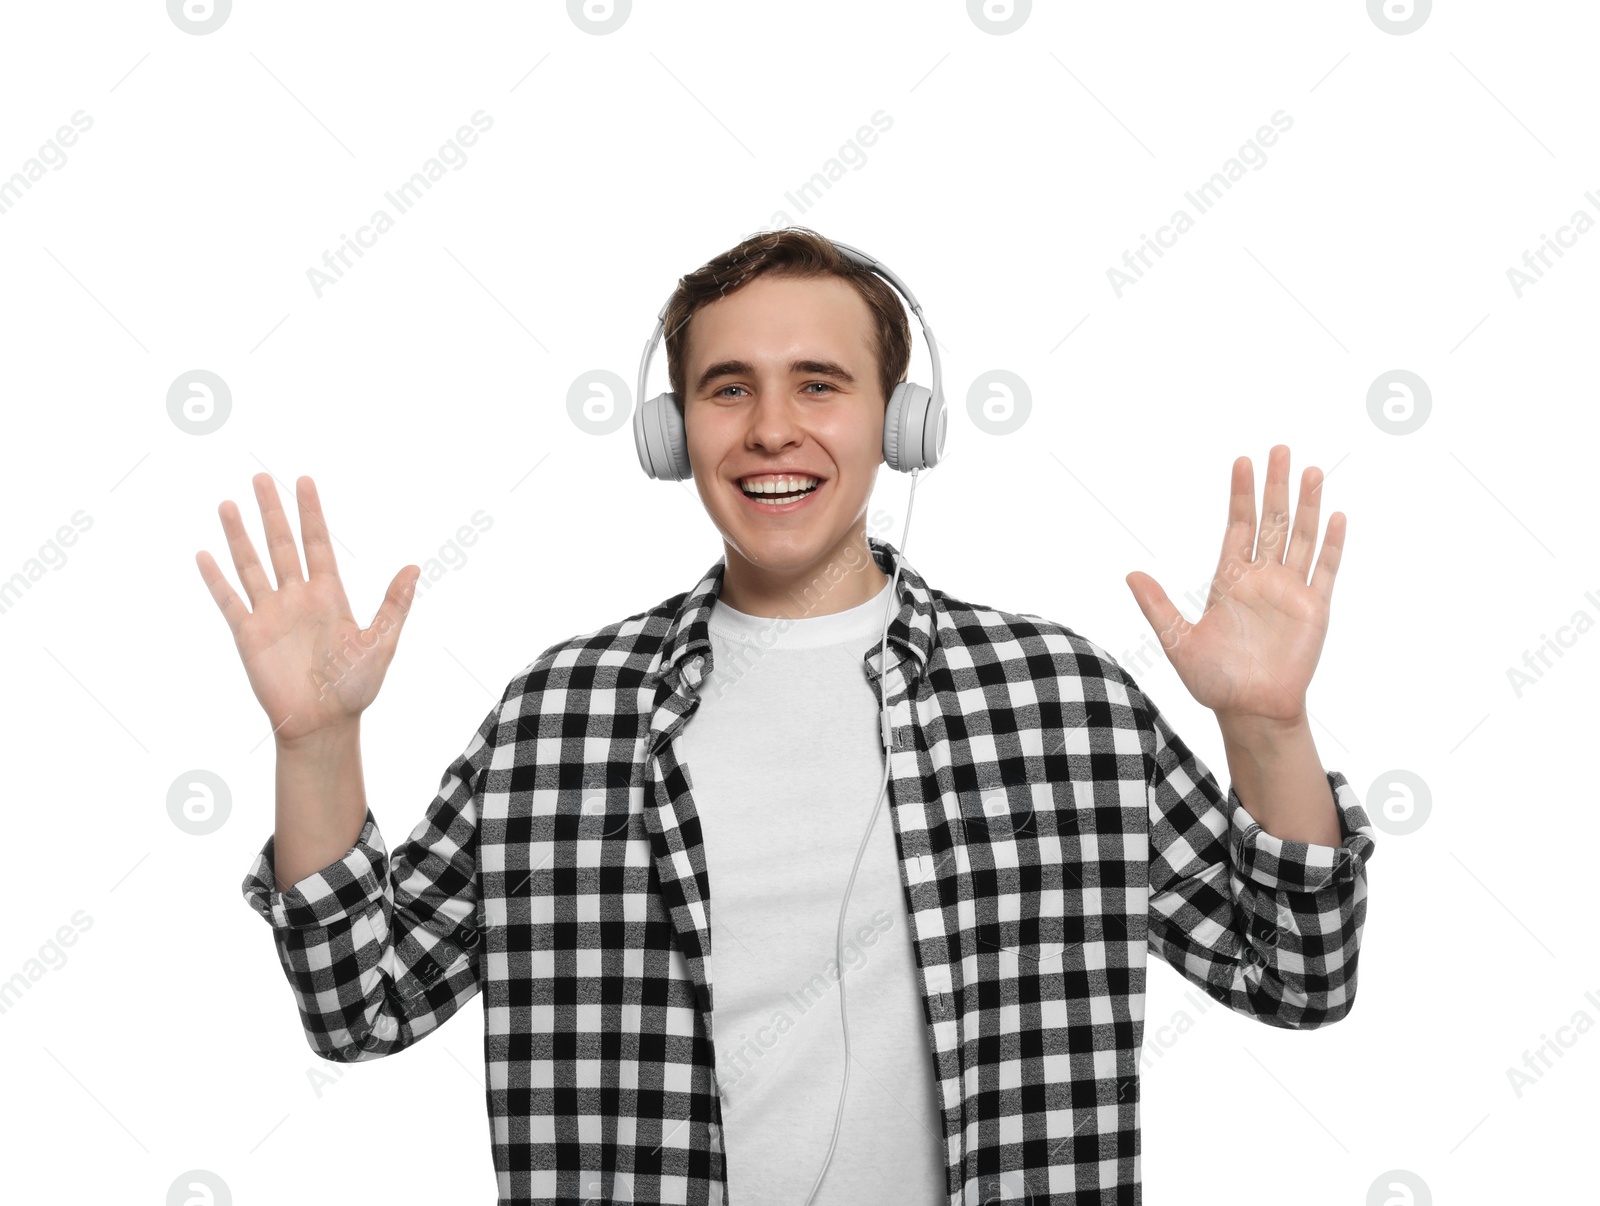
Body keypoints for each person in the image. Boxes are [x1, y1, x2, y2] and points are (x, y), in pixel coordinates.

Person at [196, 228, 1377, 1206]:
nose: (772, 429)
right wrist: (315, 743)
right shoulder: (562, 714)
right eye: (728, 390)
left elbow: (1296, 976)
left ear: (898, 424)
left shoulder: (1061, 700)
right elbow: (363, 1005)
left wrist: (1267, 725)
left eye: (819, 383)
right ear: (674, 438)